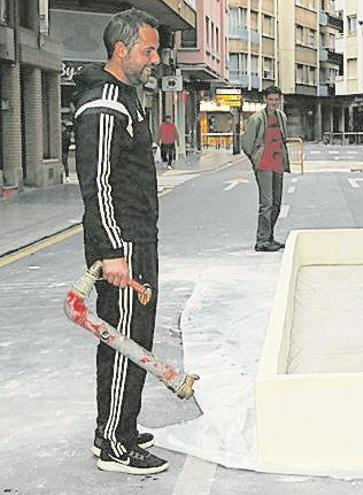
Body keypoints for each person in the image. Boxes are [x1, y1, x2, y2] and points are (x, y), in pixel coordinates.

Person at [72, 8, 166, 475]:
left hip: (136, 241)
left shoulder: (127, 98)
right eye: (148, 50)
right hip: (122, 246)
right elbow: (99, 184)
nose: (156, 58)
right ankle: (114, 442)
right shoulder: (105, 104)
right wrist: (111, 252)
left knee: (133, 337)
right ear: (121, 50)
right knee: (125, 340)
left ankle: (119, 427)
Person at [242, 86, 290, 252]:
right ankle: (261, 240)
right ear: (265, 100)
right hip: (263, 164)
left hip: (278, 164)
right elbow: (247, 144)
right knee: (267, 203)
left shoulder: (281, 116)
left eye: (276, 99)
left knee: (277, 203)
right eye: (271, 99)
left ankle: (269, 237)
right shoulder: (256, 119)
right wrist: (256, 159)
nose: (273, 102)